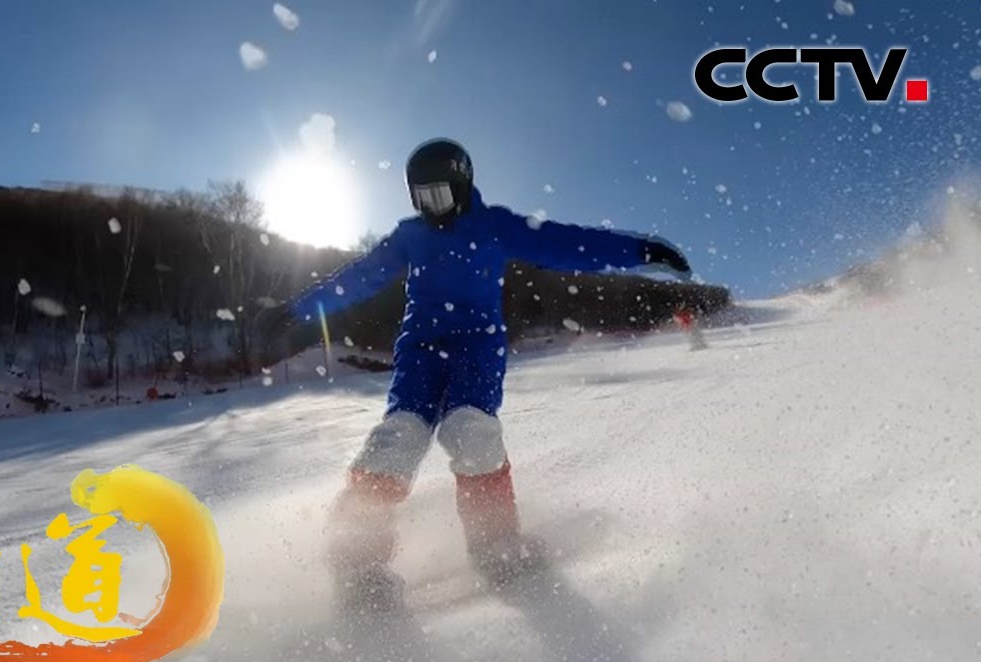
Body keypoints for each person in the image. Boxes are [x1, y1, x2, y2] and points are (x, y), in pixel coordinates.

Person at [285, 138, 690, 598]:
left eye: (438, 196)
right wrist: (297, 311)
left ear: (462, 186)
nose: (431, 209)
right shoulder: (410, 236)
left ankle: (497, 546)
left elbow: (568, 244)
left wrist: (641, 251)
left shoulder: (496, 226)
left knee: (471, 431)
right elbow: (358, 277)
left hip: (477, 347)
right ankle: (358, 564)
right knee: (397, 439)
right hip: (419, 350)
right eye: (421, 198)